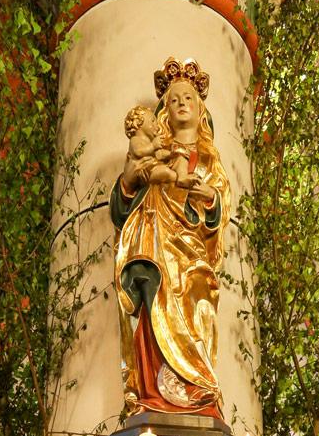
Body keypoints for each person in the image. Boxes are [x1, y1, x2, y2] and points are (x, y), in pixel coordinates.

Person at [110, 57, 230, 420]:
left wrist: (207, 196)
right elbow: (121, 211)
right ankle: (150, 393)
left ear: (200, 109)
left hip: (192, 256)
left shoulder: (209, 160)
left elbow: (219, 210)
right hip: (152, 244)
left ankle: (197, 390)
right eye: (174, 98)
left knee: (196, 309)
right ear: (163, 112)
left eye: (188, 98)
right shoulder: (148, 155)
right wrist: (130, 182)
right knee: (149, 309)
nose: (181, 102)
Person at [123, 105, 200, 188]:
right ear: (138, 124)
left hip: (158, 166)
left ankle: (182, 178)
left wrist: (172, 154)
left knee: (180, 158)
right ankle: (178, 179)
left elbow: (159, 154)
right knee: (166, 172)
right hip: (148, 171)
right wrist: (153, 146)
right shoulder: (136, 140)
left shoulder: (152, 142)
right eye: (152, 121)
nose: (157, 126)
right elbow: (138, 151)